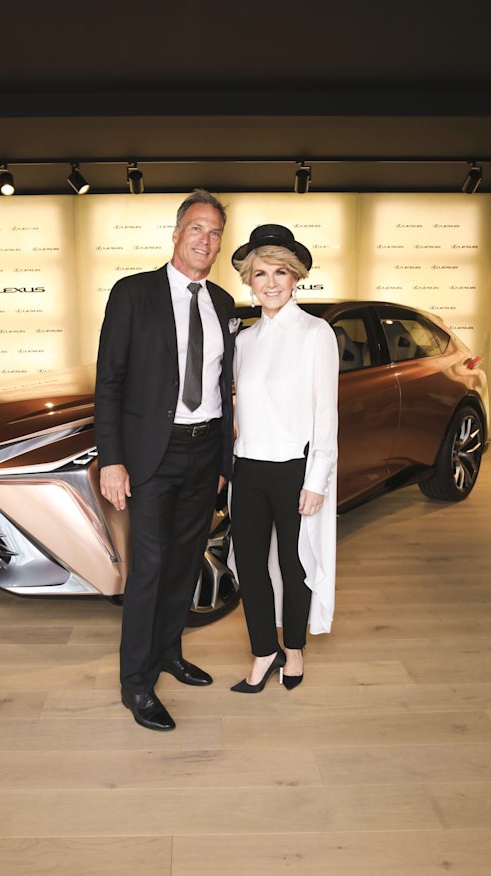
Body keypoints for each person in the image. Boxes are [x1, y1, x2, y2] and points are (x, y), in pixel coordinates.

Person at [94, 190, 237, 730]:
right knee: (149, 569)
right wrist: (112, 460)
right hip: (152, 454)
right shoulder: (134, 294)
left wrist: (222, 458)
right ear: (176, 234)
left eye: (215, 232)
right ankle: (136, 684)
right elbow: (108, 382)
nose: (206, 240)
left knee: (184, 560)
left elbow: (223, 387)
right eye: (197, 229)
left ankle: (170, 652)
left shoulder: (223, 303)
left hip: (205, 453)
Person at [229, 224, 339, 693]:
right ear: (248, 282)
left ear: (296, 278)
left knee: (296, 568)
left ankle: (292, 649)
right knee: (251, 568)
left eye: (280, 272)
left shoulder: (317, 334)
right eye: (259, 274)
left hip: (296, 470)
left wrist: (316, 480)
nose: (270, 282)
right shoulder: (243, 341)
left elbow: (325, 414)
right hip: (247, 468)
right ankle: (263, 652)